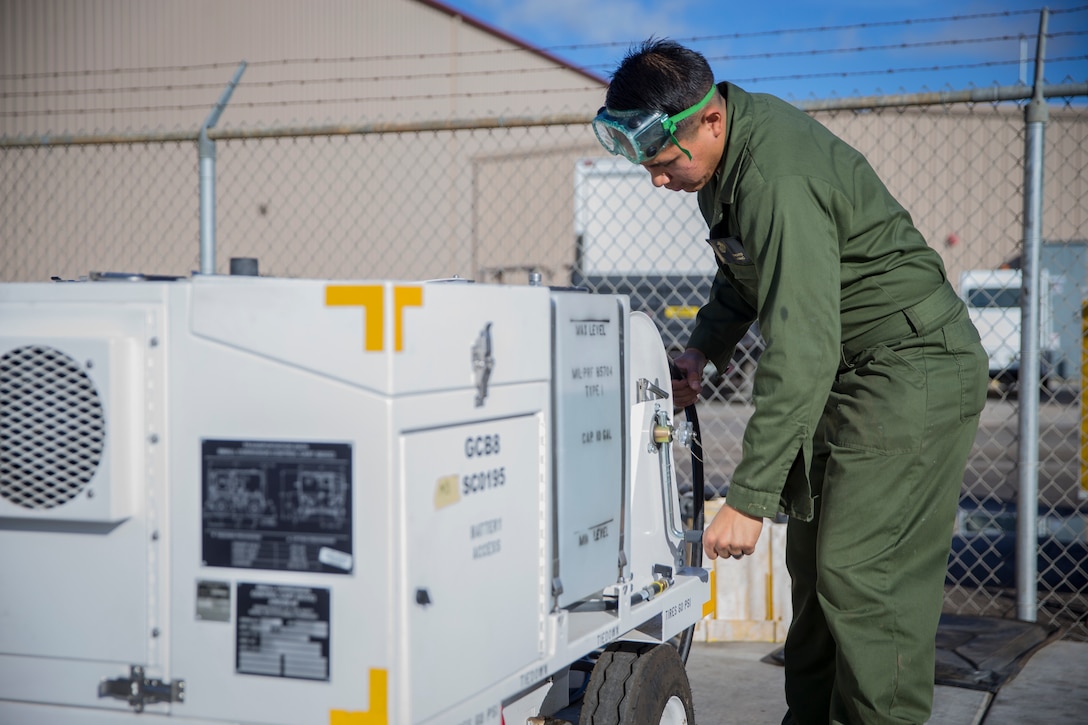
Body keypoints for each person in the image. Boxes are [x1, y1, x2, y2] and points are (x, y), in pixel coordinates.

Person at [592, 39, 988, 725]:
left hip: (910, 365)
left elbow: (802, 344)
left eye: (661, 162)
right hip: (853, 371)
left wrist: (748, 496)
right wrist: (702, 350)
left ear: (709, 120)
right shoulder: (725, 164)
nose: (656, 179)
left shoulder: (775, 174)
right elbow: (742, 273)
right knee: (816, 580)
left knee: (864, 578)